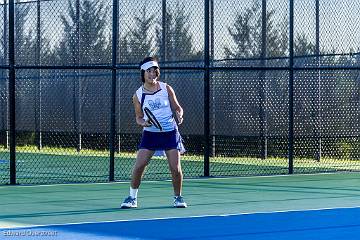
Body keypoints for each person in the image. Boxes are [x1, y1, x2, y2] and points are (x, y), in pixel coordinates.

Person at [120, 56, 187, 208]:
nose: (152, 74)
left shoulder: (166, 88)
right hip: (150, 134)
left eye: (154, 71)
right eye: (148, 71)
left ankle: (178, 197)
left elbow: (177, 107)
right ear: (143, 73)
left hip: (169, 132)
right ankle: (132, 198)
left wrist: (179, 113)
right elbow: (138, 117)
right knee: (139, 166)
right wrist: (143, 122)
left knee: (175, 168)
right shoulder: (138, 95)